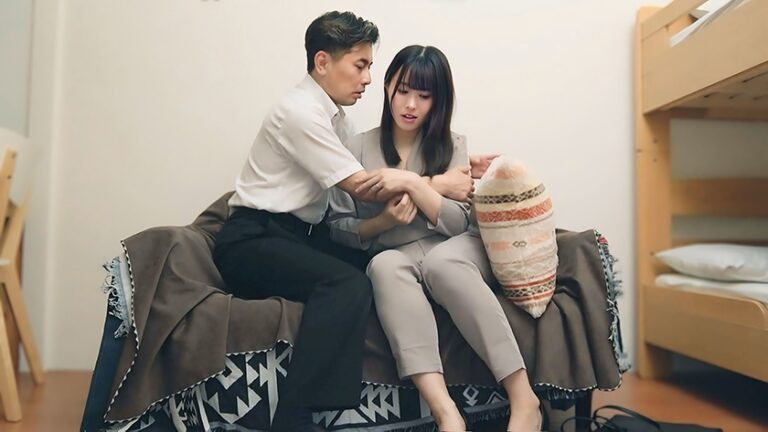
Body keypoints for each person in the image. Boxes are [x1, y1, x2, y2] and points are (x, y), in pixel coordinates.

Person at [213, 12, 476, 431]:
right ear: (322, 62)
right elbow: (363, 188)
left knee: (377, 269)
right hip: (253, 240)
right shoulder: (301, 113)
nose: (368, 79)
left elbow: (358, 203)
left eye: (370, 67)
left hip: (296, 237)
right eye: (360, 65)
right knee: (346, 285)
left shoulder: (338, 121)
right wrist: (438, 183)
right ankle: (294, 419)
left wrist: (449, 174)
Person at [327, 45, 542, 431]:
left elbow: (458, 222)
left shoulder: (452, 145)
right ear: (388, 86)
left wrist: (411, 182)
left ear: (438, 100)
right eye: (403, 91)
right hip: (395, 251)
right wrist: (384, 221)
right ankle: (446, 414)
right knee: (383, 265)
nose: (410, 104)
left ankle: (524, 399)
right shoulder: (355, 148)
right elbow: (339, 227)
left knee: (442, 264)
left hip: (452, 247)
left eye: (424, 96)